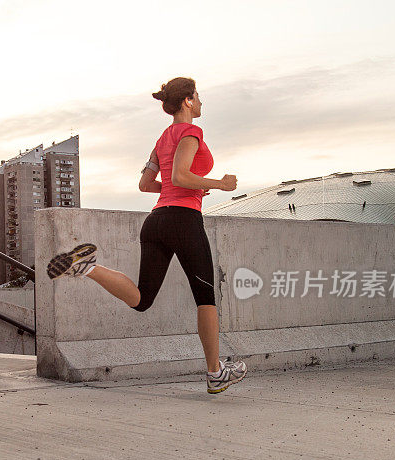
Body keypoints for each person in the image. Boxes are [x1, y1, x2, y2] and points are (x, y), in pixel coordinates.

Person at [46, 77, 247, 394]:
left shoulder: (161, 139)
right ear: (187, 102)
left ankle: (87, 267)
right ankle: (214, 372)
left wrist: (191, 187)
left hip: (156, 222)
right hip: (183, 220)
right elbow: (181, 175)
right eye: (198, 96)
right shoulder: (192, 131)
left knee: (141, 299)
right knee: (206, 298)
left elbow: (146, 184)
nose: (201, 101)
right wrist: (220, 184)